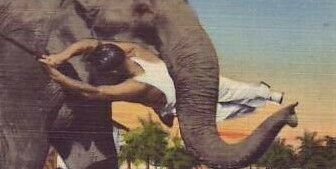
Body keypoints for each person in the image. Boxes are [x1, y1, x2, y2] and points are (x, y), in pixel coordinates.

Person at [39, 39, 284, 127]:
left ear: (113, 69)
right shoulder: (134, 50)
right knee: (234, 90)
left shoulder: (136, 86)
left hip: (184, 104)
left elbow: (94, 92)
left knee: (227, 111)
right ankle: (266, 94)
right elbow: (89, 43)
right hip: (192, 84)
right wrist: (61, 56)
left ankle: (263, 99)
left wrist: (59, 77)